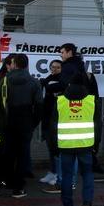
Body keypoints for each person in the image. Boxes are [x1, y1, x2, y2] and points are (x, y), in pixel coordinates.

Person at [0, 53, 40, 197]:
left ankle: (7, 181)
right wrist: (33, 123)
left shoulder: (4, 80)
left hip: (7, 121)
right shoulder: (34, 82)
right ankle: (18, 187)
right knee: (22, 155)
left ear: (14, 64)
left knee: (7, 152)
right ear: (27, 65)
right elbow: (39, 105)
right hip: (26, 121)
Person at [56, 73, 98, 206]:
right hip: (85, 144)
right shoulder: (90, 100)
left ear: (69, 84)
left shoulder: (60, 100)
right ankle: (87, 202)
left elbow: (53, 123)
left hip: (66, 144)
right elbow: (97, 124)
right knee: (87, 174)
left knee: (67, 176)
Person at [39, 59, 65, 191]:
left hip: (57, 118)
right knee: (50, 146)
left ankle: (58, 174)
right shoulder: (47, 79)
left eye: (57, 67)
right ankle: (52, 171)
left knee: (57, 148)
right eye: (52, 67)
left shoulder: (62, 81)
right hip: (48, 117)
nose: (54, 69)